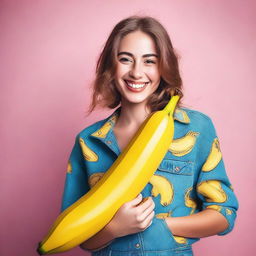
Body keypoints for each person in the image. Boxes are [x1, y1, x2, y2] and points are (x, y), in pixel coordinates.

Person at [60, 15, 239, 256]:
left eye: (149, 61)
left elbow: (224, 213)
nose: (136, 72)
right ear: (111, 66)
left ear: (164, 67)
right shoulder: (88, 141)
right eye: (125, 59)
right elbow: (76, 236)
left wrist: (158, 226)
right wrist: (115, 228)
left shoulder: (197, 129)